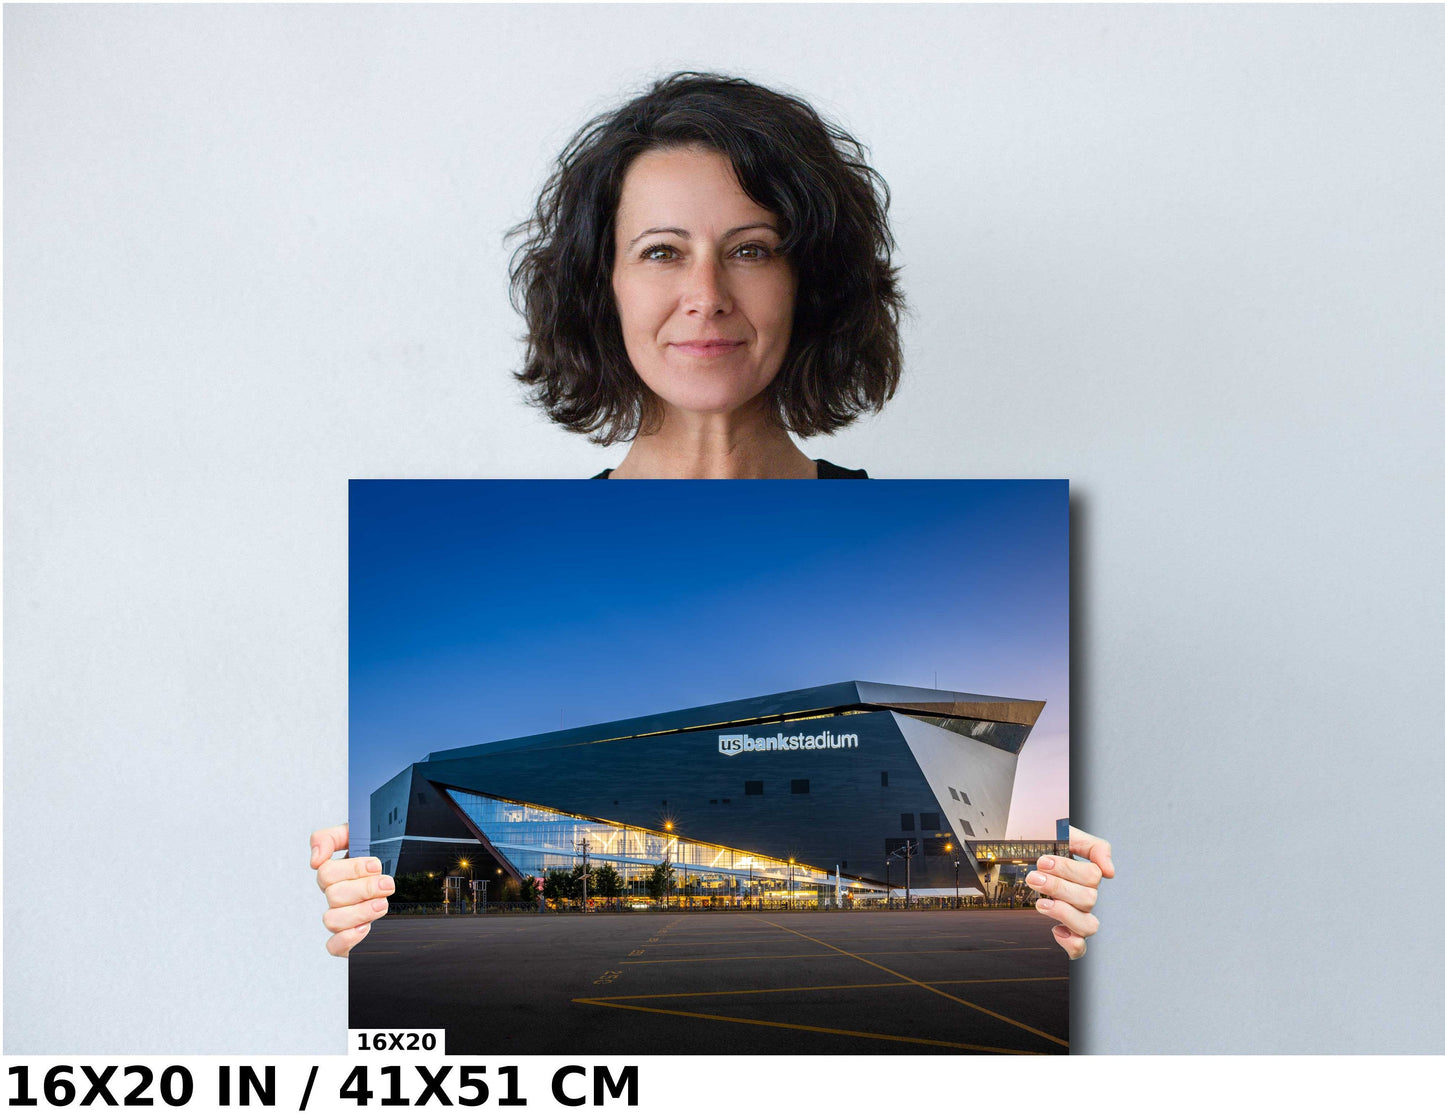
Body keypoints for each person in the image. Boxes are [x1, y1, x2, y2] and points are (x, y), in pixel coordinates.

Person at [311, 72, 1114, 958]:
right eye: (661, 251)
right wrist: (369, 915)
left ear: (809, 283)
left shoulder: (952, 544)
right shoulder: (512, 560)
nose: (707, 294)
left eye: (752, 249)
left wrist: (1067, 921)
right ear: (602, 285)